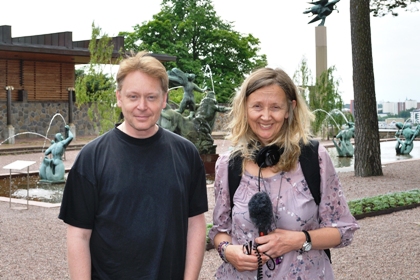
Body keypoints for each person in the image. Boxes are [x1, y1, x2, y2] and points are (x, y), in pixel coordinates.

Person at [59, 51, 208, 279]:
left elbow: (196, 224)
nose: (142, 106)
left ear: (164, 99)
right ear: (119, 97)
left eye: (151, 97)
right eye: (133, 96)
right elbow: (79, 235)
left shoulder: (186, 153)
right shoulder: (91, 158)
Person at [208, 67, 359, 279]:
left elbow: (343, 230)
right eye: (257, 106)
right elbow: (220, 230)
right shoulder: (228, 164)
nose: (266, 116)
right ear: (244, 108)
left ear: (290, 108)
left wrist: (298, 240)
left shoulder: (314, 158)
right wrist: (228, 251)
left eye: (276, 107)